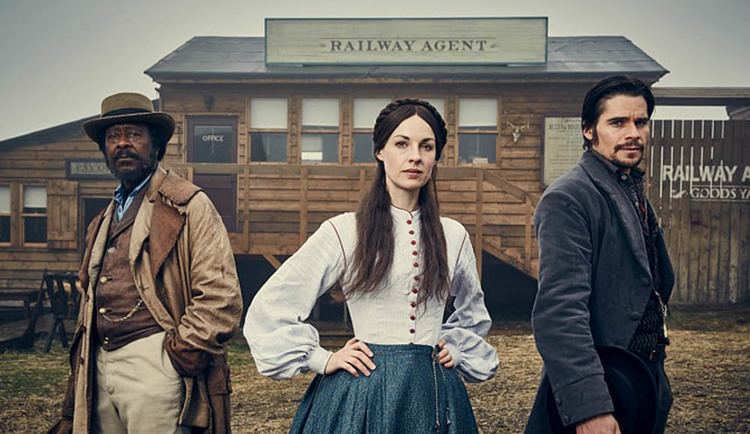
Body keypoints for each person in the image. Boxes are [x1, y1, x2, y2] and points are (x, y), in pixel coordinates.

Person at [243, 98, 498, 433]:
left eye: (426, 146)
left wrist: (455, 347)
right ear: (380, 151)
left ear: (436, 156)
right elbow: (271, 306)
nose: (415, 157)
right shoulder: (345, 230)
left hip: (433, 392)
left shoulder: (454, 235)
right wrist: (323, 359)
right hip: (363, 390)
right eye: (401, 144)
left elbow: (474, 316)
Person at [48, 92, 243, 434]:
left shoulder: (188, 205)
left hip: (157, 362)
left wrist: (182, 350)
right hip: (100, 365)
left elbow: (220, 295)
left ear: (155, 145)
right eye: (113, 137)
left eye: (134, 135)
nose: (123, 144)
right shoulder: (101, 222)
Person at [525, 76, 674, 434]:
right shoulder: (569, 197)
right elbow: (560, 312)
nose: (633, 132)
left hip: (640, 380)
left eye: (640, 122)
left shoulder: (629, 187)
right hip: (602, 386)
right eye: (618, 122)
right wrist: (589, 407)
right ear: (589, 131)